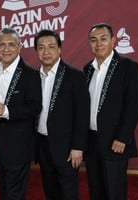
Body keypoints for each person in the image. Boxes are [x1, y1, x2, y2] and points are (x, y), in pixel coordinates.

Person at [84, 23, 138, 200]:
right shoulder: (87, 69)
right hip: (91, 142)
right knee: (96, 191)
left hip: (115, 142)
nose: (98, 44)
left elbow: (134, 104)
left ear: (113, 41)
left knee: (114, 192)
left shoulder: (128, 66)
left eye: (103, 39)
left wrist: (123, 137)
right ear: (89, 43)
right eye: (93, 40)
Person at [33, 30, 90, 200]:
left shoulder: (75, 75)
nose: (46, 52)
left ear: (59, 49)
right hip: (42, 144)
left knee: (68, 192)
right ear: (36, 51)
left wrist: (78, 147)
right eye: (41, 48)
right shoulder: (33, 76)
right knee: (50, 190)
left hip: (67, 147)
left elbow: (82, 114)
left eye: (51, 47)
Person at [0, 27, 42, 200]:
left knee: (15, 194)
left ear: (20, 47)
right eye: (2, 44)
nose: (6, 49)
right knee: (4, 190)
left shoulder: (31, 74)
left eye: (11, 45)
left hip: (18, 145)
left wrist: (6, 110)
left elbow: (35, 107)